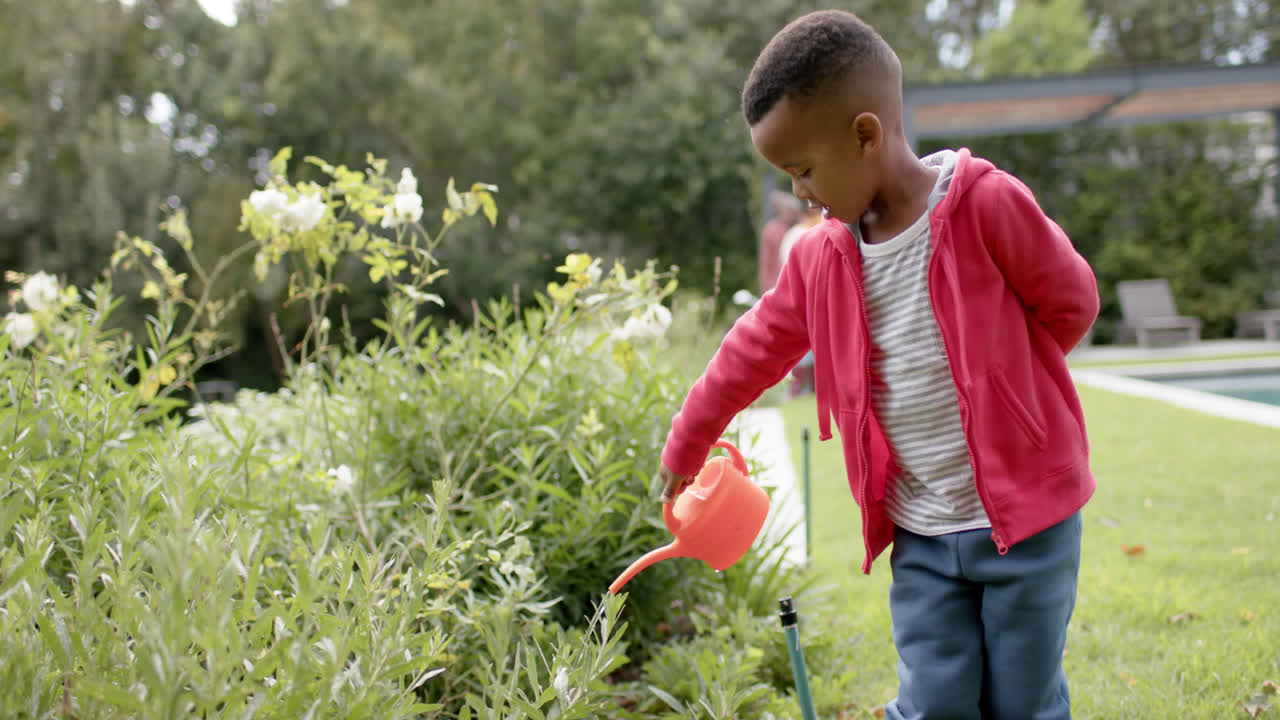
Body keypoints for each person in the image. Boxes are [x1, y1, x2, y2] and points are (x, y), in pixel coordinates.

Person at [657, 10, 1099, 720]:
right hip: (922, 532)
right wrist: (689, 441)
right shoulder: (819, 259)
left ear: (866, 135)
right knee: (936, 701)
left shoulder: (986, 203)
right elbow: (751, 351)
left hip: (1028, 526)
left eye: (803, 169)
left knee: (1022, 701)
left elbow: (1072, 302)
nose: (800, 192)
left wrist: (1013, 392)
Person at [758, 190, 803, 294]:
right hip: (777, 285)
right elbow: (766, 264)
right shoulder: (772, 231)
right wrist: (767, 290)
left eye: (792, 211)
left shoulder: (802, 227)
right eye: (787, 210)